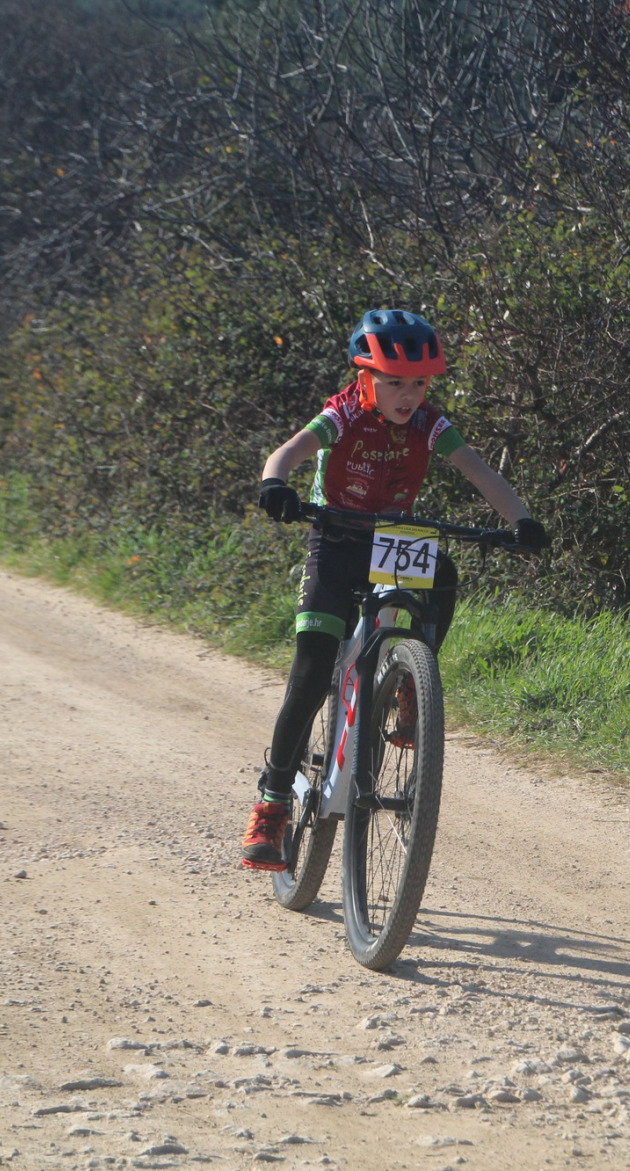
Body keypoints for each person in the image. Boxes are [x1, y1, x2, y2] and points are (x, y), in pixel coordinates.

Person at [240, 309, 547, 869]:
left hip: (394, 540)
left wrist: (521, 520)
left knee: (444, 573)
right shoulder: (342, 413)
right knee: (310, 673)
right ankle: (273, 800)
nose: (409, 396)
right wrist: (274, 483)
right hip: (335, 537)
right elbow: (287, 452)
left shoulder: (430, 423)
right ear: (366, 377)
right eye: (395, 382)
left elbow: (479, 471)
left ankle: (410, 682)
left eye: (420, 384)